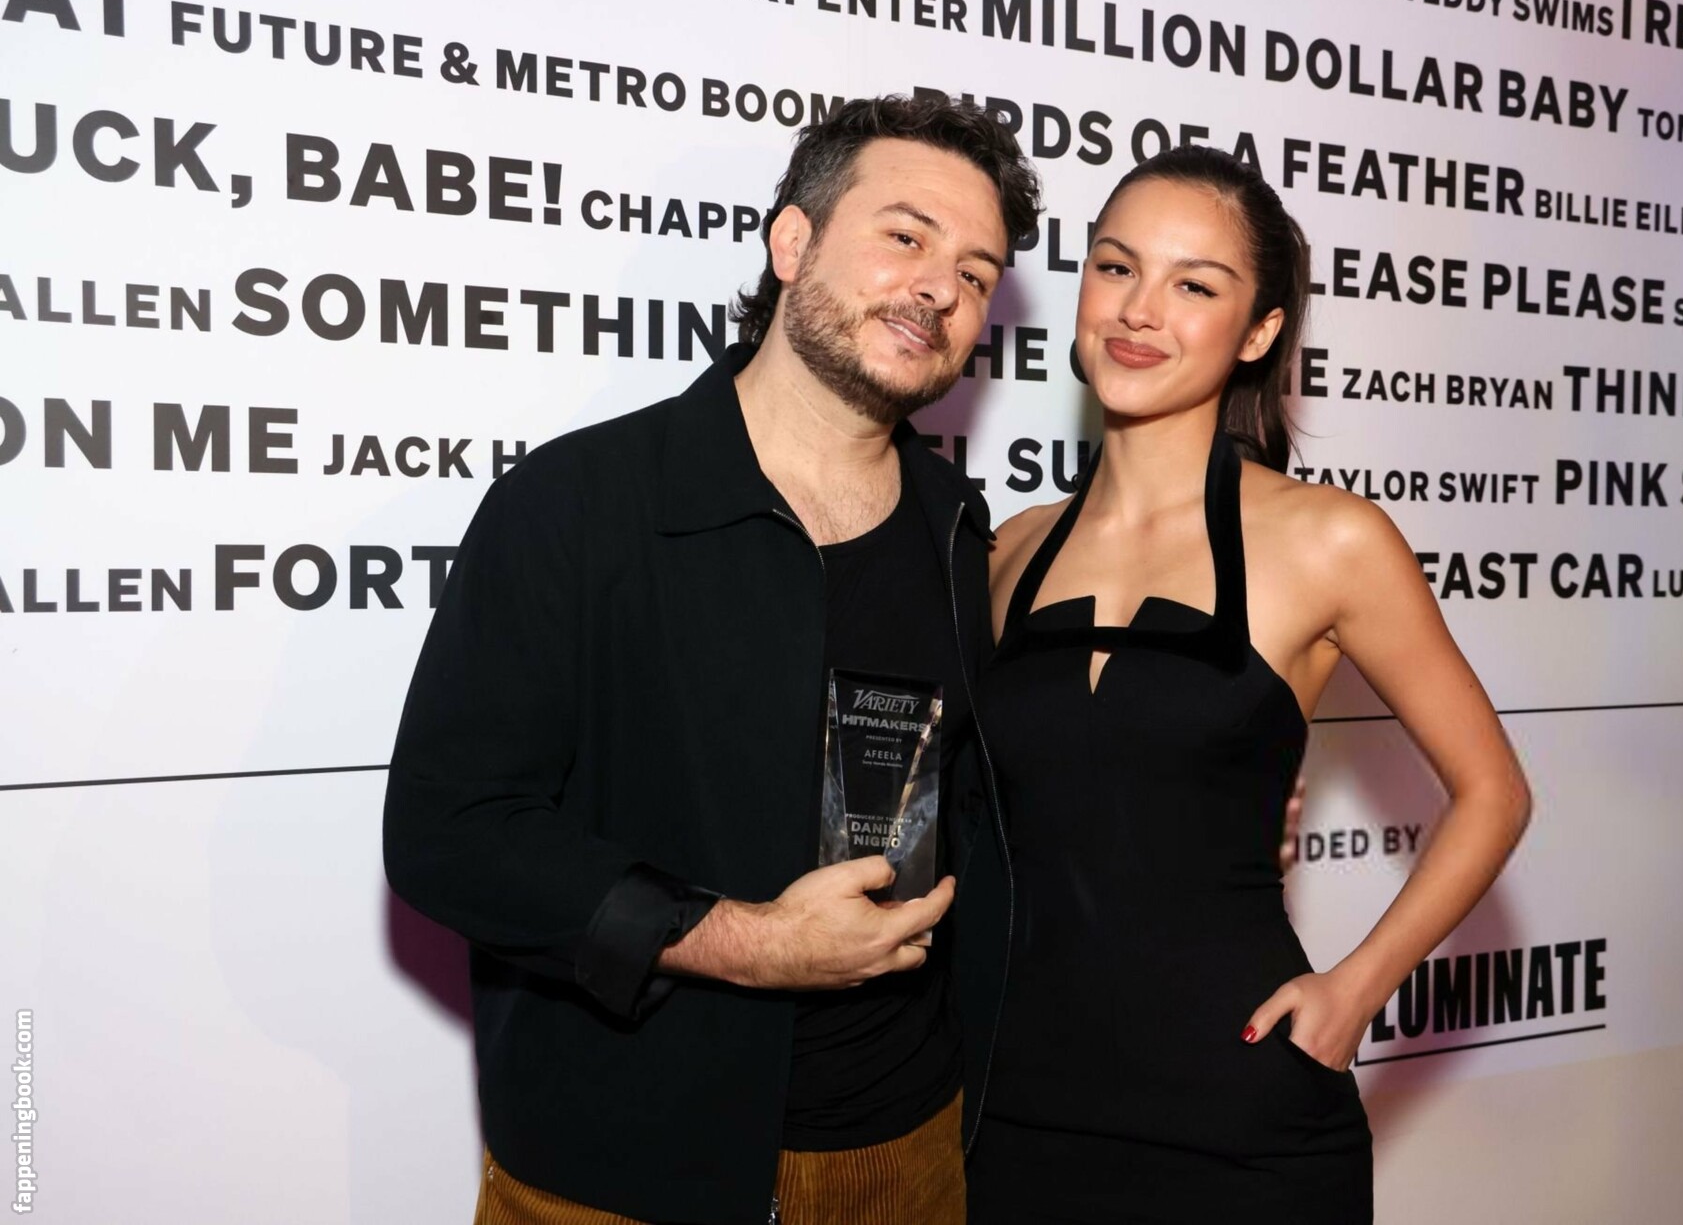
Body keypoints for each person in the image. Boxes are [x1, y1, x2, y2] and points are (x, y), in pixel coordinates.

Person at [382, 94, 1040, 1225]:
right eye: (906, 235)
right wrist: (752, 944)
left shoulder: (955, 531)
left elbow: (983, 810)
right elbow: (450, 833)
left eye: (976, 274)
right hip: (617, 1171)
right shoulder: (578, 503)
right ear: (792, 243)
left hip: (904, 1152)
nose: (940, 287)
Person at [968, 146, 1534, 1223]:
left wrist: (1355, 990)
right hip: (1016, 1115)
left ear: (1260, 331)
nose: (1140, 310)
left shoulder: (1330, 540)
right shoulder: (1009, 550)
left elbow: (1494, 793)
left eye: (1194, 285)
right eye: (1116, 267)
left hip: (1242, 1119)